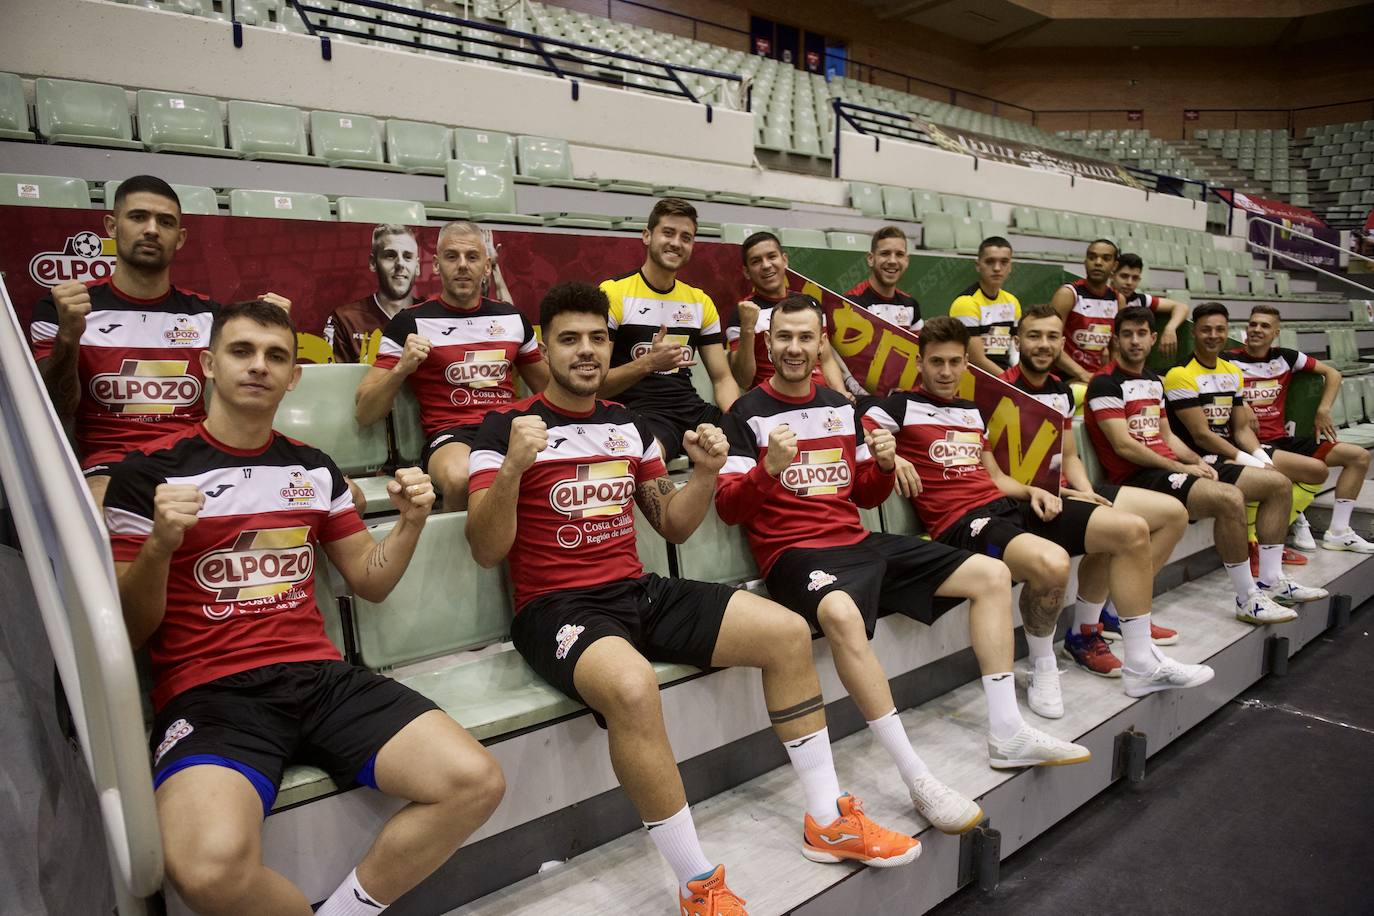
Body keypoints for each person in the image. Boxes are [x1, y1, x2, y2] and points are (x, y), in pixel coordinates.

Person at [466, 283, 919, 916]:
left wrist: (704, 475)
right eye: (570, 339)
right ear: (544, 345)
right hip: (556, 608)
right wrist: (513, 468)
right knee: (632, 687)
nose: (588, 351)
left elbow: (672, 525)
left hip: (636, 589)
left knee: (788, 634)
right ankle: (695, 882)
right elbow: (487, 548)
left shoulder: (626, 425)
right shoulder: (502, 428)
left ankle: (827, 820)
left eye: (598, 338)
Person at [102, 300, 503, 916]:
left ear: (294, 376)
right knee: (204, 870)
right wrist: (159, 546)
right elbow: (131, 628)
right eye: (241, 351)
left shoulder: (313, 468)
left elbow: (370, 581)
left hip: (319, 678)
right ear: (207, 364)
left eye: (276, 356)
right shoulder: (147, 475)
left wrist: (412, 522)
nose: (258, 366)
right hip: (212, 694)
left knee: (476, 782)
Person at [720, 294, 1090, 793]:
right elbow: (729, 508)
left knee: (992, 574)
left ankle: (1006, 732)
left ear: (821, 343)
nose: (794, 347)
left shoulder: (838, 407)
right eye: (784, 337)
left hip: (856, 540)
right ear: (768, 341)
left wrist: (886, 466)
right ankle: (914, 775)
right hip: (794, 554)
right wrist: (768, 471)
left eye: (806, 337)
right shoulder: (745, 413)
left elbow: (862, 492)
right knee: (844, 615)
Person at [866, 315, 1212, 718]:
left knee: (1130, 530)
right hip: (963, 524)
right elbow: (860, 429)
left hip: (1007, 505)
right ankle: (1042, 664)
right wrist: (896, 456)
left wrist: (1037, 490)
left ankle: (1140, 663)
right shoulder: (900, 405)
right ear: (920, 363)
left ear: (965, 364)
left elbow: (994, 477)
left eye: (955, 362)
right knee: (1052, 563)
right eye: (937, 362)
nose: (946, 371)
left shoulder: (971, 412)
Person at [28, 175, 290, 504]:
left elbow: (248, 390)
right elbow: (54, 408)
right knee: (100, 510)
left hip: (199, 459)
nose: (152, 229)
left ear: (179, 238)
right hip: (112, 467)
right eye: (138, 217)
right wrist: (68, 336)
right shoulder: (62, 308)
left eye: (165, 222)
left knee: (340, 495)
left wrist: (276, 327)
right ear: (111, 226)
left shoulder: (209, 315)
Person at [1084, 306, 1313, 625]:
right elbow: (1124, 445)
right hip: (1136, 477)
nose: (1135, 341)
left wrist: (1193, 461)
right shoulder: (1105, 383)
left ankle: (1271, 579)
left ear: (1153, 339)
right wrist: (1182, 467)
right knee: (1229, 499)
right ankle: (1247, 598)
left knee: (1278, 484)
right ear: (1116, 339)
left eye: (1141, 334)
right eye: (1127, 334)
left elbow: (1166, 435)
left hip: (1168, 467)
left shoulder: (1152, 380)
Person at [1003, 304, 1191, 650]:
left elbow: (1069, 455)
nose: (1043, 344)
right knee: (1122, 531)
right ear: (1017, 340)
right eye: (1034, 336)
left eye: (1051, 337)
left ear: (1062, 343)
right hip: (1023, 498)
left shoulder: (1061, 390)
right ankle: (1085, 634)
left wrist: (1086, 491)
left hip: (1066, 490)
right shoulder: (997, 388)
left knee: (1174, 514)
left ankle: (1115, 612)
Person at [355, 221, 549, 512]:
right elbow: (365, 412)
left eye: (472, 257)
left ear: (487, 265)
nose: (462, 265)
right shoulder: (408, 323)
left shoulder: (513, 319)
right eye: (451, 257)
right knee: (462, 479)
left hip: (509, 428)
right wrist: (402, 369)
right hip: (451, 435)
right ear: (435, 265)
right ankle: (458, 558)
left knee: (555, 470)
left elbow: (547, 390)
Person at [1163, 301, 1329, 605]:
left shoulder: (1231, 371)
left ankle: (1271, 579)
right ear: (1194, 333)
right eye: (1205, 330)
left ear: (1228, 332)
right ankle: (1263, 581)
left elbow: (1240, 430)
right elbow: (1202, 434)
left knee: (1289, 477)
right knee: (1277, 484)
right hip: (1199, 456)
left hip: (1228, 451)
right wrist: (1249, 461)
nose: (1213, 335)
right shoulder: (1180, 374)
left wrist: (1263, 461)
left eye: (1219, 329)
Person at [597, 198, 739, 462]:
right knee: (652, 460)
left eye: (686, 237)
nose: (676, 242)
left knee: (753, 437)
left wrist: (735, 418)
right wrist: (649, 363)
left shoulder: (700, 302)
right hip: (637, 412)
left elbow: (722, 378)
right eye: (668, 233)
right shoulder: (613, 294)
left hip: (692, 410)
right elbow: (596, 385)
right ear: (647, 236)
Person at [1226, 304, 1373, 553]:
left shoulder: (1286, 357)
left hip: (1284, 438)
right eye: (1253, 324)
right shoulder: (1228, 360)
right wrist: (1240, 403)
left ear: (1276, 333)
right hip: (1250, 443)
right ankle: (1291, 519)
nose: (1257, 330)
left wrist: (1323, 410)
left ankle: (1338, 531)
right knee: (1311, 471)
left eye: (1265, 326)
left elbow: (1333, 374)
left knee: (1359, 457)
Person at [726, 231, 847, 394]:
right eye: (756, 261)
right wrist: (747, 327)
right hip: (776, 400)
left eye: (771, 256)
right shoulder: (742, 313)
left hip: (823, 398)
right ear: (746, 272)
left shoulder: (811, 303)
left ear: (784, 260)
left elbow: (826, 360)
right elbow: (744, 379)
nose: (766, 265)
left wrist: (841, 395)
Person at [323, 223, 421, 364]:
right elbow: (332, 381)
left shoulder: (432, 317)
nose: (400, 264)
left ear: (417, 267)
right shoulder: (346, 319)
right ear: (373, 263)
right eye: (390, 256)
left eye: (407, 257)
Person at [1051, 239, 1126, 384]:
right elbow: (1051, 343)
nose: (1098, 262)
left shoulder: (1118, 300)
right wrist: (1083, 374)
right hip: (1064, 377)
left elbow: (1116, 349)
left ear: (1115, 266)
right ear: (1085, 262)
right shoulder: (1068, 294)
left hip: (1097, 378)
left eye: (1105, 258)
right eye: (1092, 257)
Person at [949, 236, 1022, 375]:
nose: (997, 268)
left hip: (1005, 376)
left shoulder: (1012, 302)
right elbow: (976, 359)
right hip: (973, 379)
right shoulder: (965, 303)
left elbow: (1014, 349)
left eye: (1004, 262)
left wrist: (1017, 375)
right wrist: (1011, 382)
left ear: (1010, 266)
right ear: (978, 265)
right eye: (990, 262)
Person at [1110, 252, 1187, 361]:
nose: (1129, 282)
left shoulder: (1141, 300)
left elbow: (1181, 307)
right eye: (1124, 276)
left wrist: (1170, 329)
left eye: (1135, 278)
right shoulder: (1100, 298)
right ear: (1112, 275)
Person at [845, 226, 923, 333]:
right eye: (885, 253)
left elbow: (918, 348)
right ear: (871, 259)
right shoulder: (851, 303)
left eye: (899, 254)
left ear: (906, 260)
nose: (892, 261)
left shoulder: (911, 305)